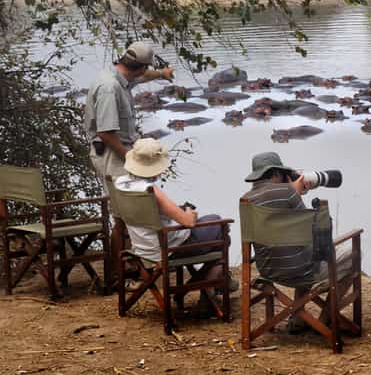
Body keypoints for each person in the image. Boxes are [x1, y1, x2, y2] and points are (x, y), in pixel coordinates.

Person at [241, 152, 353, 334]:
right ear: (276, 174)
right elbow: (311, 232)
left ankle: (297, 319)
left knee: (298, 253)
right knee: (352, 253)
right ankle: (325, 320)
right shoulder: (288, 193)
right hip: (302, 270)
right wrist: (295, 191)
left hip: (269, 270)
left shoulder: (247, 199)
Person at [113, 138, 227, 294]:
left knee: (214, 228)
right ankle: (200, 286)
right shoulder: (150, 190)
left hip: (141, 248)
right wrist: (189, 213)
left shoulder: (120, 184)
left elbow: (142, 215)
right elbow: (188, 222)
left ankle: (207, 286)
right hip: (168, 248)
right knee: (219, 224)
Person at [84, 41, 174, 190]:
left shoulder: (120, 76)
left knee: (133, 200)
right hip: (112, 153)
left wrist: (162, 74)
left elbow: (143, 77)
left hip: (120, 150)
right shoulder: (109, 88)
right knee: (124, 202)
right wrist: (131, 159)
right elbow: (106, 133)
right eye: (146, 68)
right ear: (142, 67)